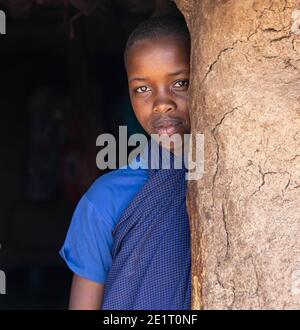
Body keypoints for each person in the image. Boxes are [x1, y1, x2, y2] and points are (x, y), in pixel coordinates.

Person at [59, 15, 191, 310]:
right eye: (142, 88)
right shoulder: (104, 201)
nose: (161, 102)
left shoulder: (231, 186)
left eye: (180, 82)